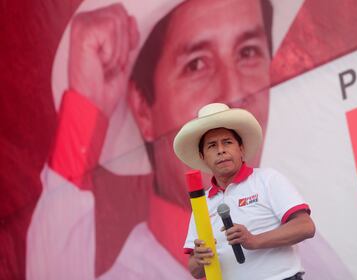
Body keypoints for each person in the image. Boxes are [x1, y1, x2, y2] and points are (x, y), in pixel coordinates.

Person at [27, 0, 276, 279]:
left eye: (248, 52)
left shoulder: (306, 253)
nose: (233, 94)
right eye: (196, 64)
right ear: (143, 111)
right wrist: (85, 105)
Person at [174, 103, 316, 279]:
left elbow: (305, 226)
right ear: (203, 157)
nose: (221, 150)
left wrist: (254, 240)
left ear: (241, 149)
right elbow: (195, 271)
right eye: (212, 146)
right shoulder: (202, 203)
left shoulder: (267, 179)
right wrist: (199, 259)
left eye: (227, 142)